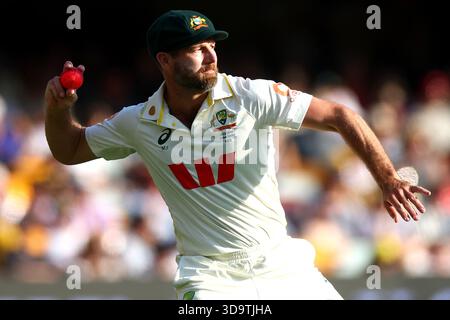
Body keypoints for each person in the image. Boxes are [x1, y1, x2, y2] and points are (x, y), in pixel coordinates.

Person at [44, 10, 432, 300]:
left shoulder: (251, 95)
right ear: (164, 60)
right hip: (209, 277)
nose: (211, 56)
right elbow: (70, 149)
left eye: (212, 45)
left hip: (280, 263)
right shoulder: (139, 121)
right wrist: (58, 108)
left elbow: (339, 115)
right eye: (197, 49)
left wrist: (388, 178)